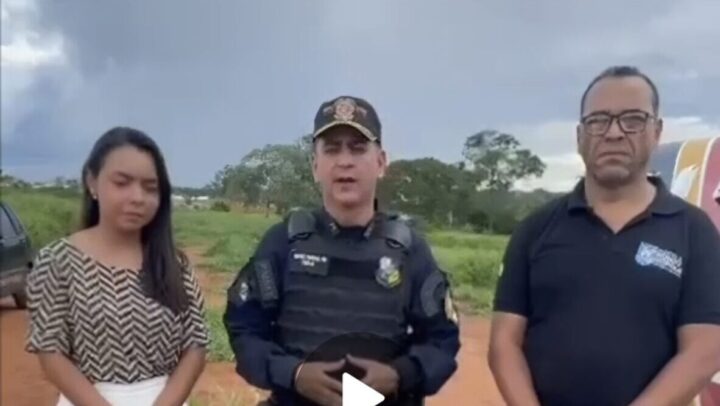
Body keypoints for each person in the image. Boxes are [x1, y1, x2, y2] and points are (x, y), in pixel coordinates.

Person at [489, 65, 720, 406]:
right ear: (580, 136)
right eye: (598, 121)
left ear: (656, 131)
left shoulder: (694, 231)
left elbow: (705, 348)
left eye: (632, 119)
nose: (613, 133)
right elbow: (504, 344)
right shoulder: (535, 229)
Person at [223, 95, 460, 406]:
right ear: (315, 166)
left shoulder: (410, 250)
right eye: (332, 149)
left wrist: (399, 375)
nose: (344, 161)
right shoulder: (283, 242)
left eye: (358, 148)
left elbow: (443, 340)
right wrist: (293, 373)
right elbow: (244, 328)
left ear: (381, 162)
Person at [25, 127, 210, 406]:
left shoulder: (174, 263)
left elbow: (195, 343)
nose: (137, 197)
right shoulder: (57, 261)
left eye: (150, 187)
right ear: (92, 182)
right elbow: (50, 350)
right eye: (122, 183)